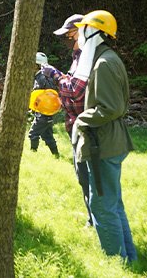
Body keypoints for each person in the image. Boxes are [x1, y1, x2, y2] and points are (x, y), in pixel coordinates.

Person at [72, 10, 137, 262]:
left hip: (104, 144)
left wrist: (81, 119)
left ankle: (115, 262)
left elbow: (112, 108)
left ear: (93, 31)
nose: (78, 33)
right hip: (108, 141)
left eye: (82, 28)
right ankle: (128, 259)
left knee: (102, 205)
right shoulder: (103, 58)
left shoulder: (104, 63)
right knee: (112, 203)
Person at [42, 13, 93, 226]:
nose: (68, 41)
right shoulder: (77, 58)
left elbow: (74, 90)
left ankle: (96, 220)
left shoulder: (86, 57)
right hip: (75, 124)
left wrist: (55, 76)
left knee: (89, 178)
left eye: (70, 36)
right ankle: (93, 218)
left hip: (86, 126)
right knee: (82, 177)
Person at [28, 52, 59, 157]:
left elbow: (48, 93)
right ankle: (56, 155)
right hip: (45, 111)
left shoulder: (42, 77)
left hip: (44, 111)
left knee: (33, 134)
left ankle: (33, 154)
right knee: (47, 135)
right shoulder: (41, 76)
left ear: (38, 65)